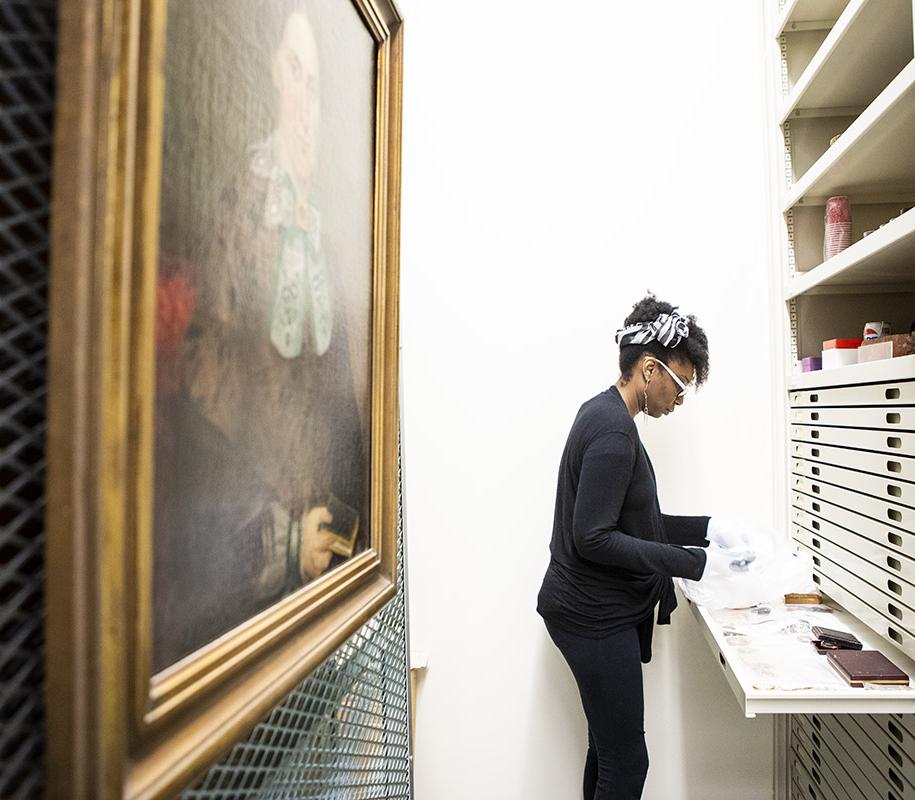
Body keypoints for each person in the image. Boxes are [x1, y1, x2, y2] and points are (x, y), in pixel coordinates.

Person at [152, 6, 369, 670]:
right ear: (268, 76)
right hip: (236, 624)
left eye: (317, 86)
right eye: (294, 74)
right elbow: (198, 410)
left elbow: (338, 411)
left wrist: (346, 525)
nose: (305, 104)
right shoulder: (238, 215)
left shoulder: (328, 235)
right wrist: (277, 541)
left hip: (322, 597)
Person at [536, 294, 750, 799]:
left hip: (588, 609)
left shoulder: (606, 414)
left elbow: (639, 522)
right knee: (628, 761)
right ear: (649, 370)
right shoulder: (613, 432)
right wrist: (696, 563)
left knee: (608, 750)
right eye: (679, 385)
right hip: (591, 615)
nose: (680, 399)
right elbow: (594, 538)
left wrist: (710, 528)